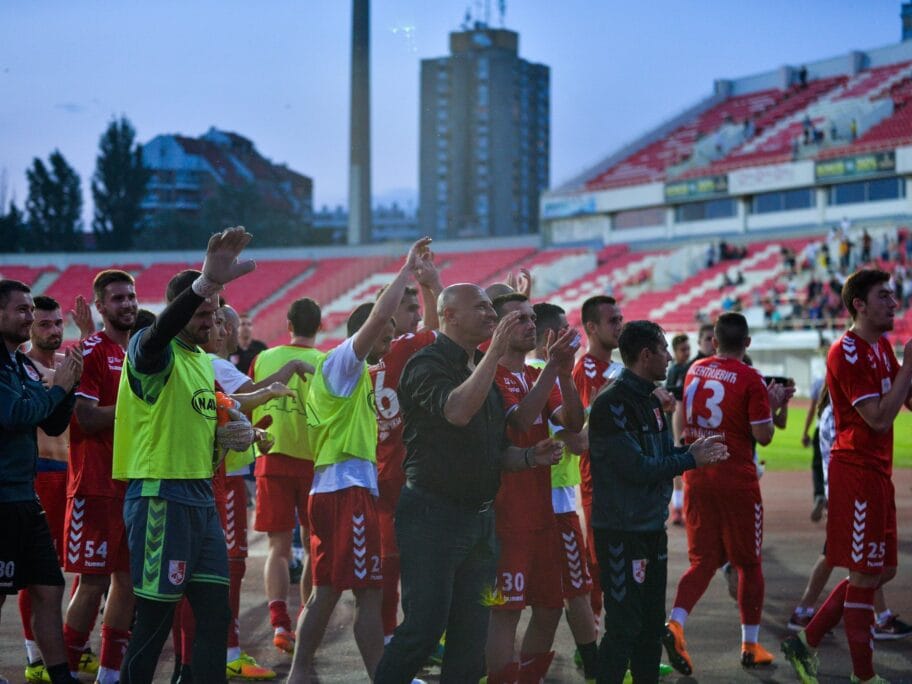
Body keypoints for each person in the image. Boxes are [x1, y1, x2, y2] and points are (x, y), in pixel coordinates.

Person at [373, 283, 563, 684]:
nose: (491, 314)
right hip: (432, 517)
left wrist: (529, 456)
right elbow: (457, 411)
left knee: (470, 641)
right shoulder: (426, 364)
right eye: (480, 308)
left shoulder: (480, 370)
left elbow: (496, 452)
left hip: (479, 523)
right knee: (423, 631)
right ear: (449, 315)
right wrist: (493, 353)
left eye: (491, 309)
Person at [287, 237, 436, 683]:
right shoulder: (343, 363)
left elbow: (423, 332)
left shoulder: (355, 374)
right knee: (354, 594)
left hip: (341, 490)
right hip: (345, 491)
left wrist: (426, 289)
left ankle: (314, 673)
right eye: (384, 337)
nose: (387, 346)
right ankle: (359, 676)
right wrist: (407, 269)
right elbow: (376, 320)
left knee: (337, 592)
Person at [113, 227, 258, 683]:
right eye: (199, 313)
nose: (209, 322)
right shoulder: (152, 349)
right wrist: (203, 284)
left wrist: (231, 434)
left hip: (200, 499)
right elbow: (157, 337)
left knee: (216, 615)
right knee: (154, 622)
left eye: (213, 314)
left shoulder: (200, 361)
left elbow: (201, 426)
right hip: (161, 497)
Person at [782, 269, 912, 684]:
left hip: (877, 472)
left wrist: (907, 371)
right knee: (863, 575)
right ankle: (863, 676)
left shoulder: (881, 348)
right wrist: (908, 368)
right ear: (859, 303)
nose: (894, 303)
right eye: (884, 296)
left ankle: (807, 640)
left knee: (881, 571)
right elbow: (876, 418)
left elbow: (907, 400)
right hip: (855, 472)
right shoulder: (847, 351)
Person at [588, 320, 728, 684]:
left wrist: (688, 452)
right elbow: (636, 468)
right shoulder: (612, 403)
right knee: (623, 627)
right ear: (646, 355)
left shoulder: (651, 400)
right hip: (621, 532)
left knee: (650, 625)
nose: (668, 356)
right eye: (663, 349)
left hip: (650, 529)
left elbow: (663, 457)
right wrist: (689, 460)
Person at [664, 313, 793, 673]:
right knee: (748, 563)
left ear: (715, 340)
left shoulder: (694, 369)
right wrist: (775, 401)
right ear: (747, 344)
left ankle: (675, 623)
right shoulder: (750, 377)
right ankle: (750, 645)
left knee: (703, 561)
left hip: (698, 476)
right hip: (736, 481)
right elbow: (764, 435)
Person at [484, 294, 584, 682]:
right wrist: (550, 371)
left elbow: (572, 423)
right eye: (520, 319)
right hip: (506, 515)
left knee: (548, 607)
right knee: (505, 611)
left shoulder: (534, 373)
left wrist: (562, 374)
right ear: (498, 328)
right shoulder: (491, 374)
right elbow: (523, 420)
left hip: (542, 513)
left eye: (531, 318)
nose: (531, 325)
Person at [0, 279, 83, 684]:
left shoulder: (16, 363)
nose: (29, 317)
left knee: (49, 588)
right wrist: (59, 388)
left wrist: (68, 389)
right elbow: (16, 414)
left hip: (24, 497)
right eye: (21, 310)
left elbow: (49, 422)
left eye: (31, 309)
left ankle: (59, 675)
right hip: (2, 499)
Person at [62, 270, 138, 684]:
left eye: (130, 297)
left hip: (133, 485)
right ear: (100, 305)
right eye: (117, 299)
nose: (126, 304)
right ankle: (66, 669)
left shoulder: (139, 352)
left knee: (126, 582)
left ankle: (110, 675)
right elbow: (86, 418)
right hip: (94, 485)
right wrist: (135, 413)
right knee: (91, 584)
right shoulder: (90, 350)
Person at [17, 296, 98, 682]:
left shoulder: (67, 362)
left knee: (82, 563)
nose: (52, 330)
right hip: (42, 475)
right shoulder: (21, 367)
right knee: (36, 570)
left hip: (76, 473)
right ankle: (35, 657)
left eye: (56, 324)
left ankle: (70, 648)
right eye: (44, 324)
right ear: (29, 326)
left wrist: (86, 335)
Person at [245, 299, 323, 655]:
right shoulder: (324, 361)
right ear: (319, 325)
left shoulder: (264, 358)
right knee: (312, 545)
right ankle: (308, 617)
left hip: (271, 458)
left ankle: (280, 623)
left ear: (288, 323)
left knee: (277, 548)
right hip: (313, 461)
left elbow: (248, 398)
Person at [372, 260, 443, 643]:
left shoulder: (365, 359)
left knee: (392, 562)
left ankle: (393, 636)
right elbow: (435, 332)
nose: (416, 315)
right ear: (388, 313)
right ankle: (402, 640)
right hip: (404, 474)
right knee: (410, 563)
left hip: (382, 470)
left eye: (416, 307)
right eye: (408, 308)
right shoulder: (402, 348)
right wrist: (430, 285)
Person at [530, 302, 598, 682]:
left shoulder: (527, 372)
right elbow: (578, 440)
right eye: (567, 330)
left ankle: (513, 669)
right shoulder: (551, 376)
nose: (575, 336)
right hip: (556, 501)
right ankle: (595, 669)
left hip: (532, 497)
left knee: (532, 599)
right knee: (577, 591)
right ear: (550, 339)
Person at [571, 295, 624, 631]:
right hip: (600, 480)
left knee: (627, 560)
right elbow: (580, 426)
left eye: (620, 319)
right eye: (612, 321)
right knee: (600, 562)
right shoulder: (584, 369)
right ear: (591, 327)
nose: (619, 326)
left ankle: (622, 636)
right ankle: (592, 635)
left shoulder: (619, 368)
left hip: (627, 478)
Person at [664, 333, 691, 526]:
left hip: (690, 421)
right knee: (677, 466)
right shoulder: (674, 370)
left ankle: (684, 505)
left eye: (688, 349)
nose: (686, 353)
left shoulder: (691, 367)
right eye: (683, 350)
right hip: (674, 421)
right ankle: (677, 507)